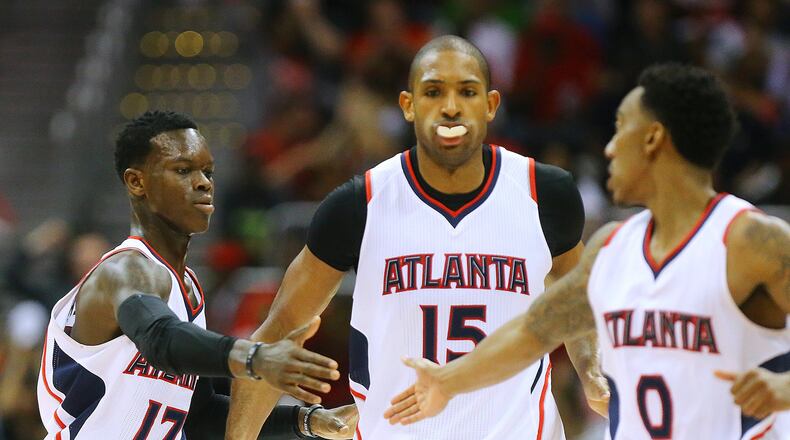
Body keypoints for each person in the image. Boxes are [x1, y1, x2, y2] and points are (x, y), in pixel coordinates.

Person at [227, 35, 609, 440]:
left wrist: (590, 371)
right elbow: (277, 331)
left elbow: (575, 304)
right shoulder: (359, 204)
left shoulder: (544, 193)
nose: (450, 107)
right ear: (408, 105)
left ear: (491, 105)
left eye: (467, 91)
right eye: (433, 92)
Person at [384, 64, 790, 439]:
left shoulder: (750, 241)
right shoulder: (613, 249)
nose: (609, 148)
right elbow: (532, 332)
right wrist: (448, 382)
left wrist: (783, 387)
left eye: (620, 129)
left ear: (652, 138)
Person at [36, 111, 355, 439]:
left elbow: (199, 416)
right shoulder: (123, 271)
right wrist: (255, 356)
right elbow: (160, 338)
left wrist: (310, 420)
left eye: (208, 171)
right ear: (137, 181)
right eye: (183, 170)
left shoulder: (187, 289)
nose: (204, 182)